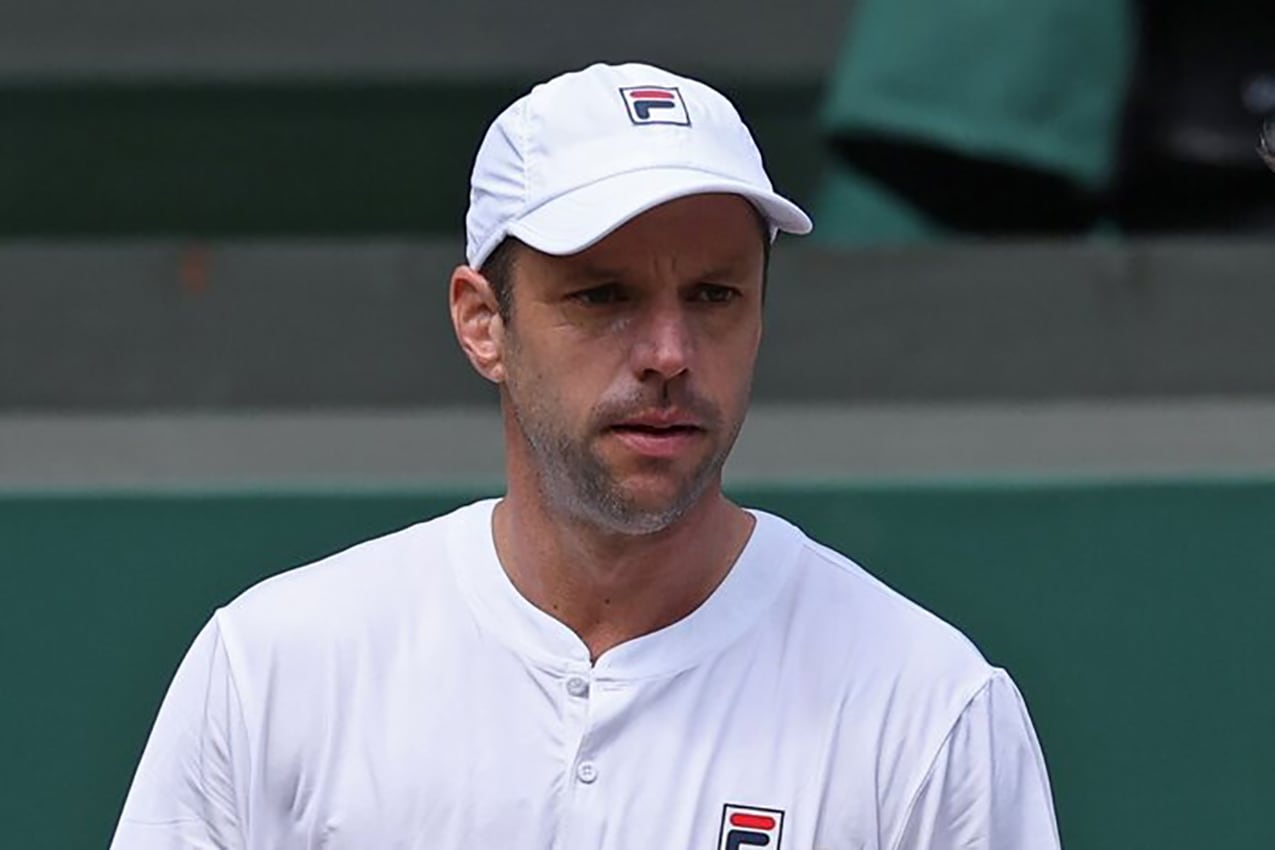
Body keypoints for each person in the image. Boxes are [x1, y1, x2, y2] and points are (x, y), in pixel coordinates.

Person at [110, 62, 1061, 850]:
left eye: (715, 295)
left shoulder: (927, 709)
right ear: (482, 323)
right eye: (602, 296)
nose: (668, 354)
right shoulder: (276, 668)